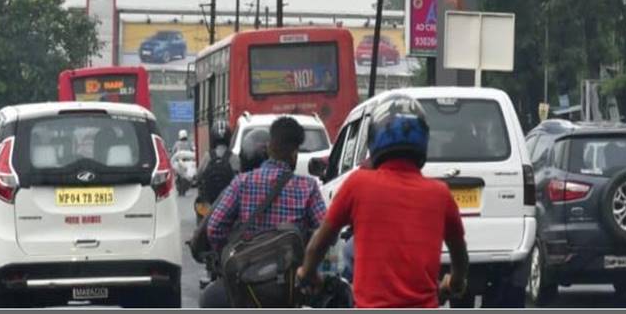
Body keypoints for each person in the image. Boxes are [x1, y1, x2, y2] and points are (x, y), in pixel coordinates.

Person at [297, 94, 470, 309]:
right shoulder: (440, 194)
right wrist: (453, 283)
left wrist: (307, 273)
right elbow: (460, 258)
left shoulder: (358, 183)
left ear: (374, 139)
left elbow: (319, 244)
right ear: (423, 140)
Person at [198, 117, 326, 308]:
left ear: (269, 148)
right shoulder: (308, 187)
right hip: (292, 288)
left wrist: (231, 256)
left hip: (245, 284)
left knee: (210, 298)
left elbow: (214, 228)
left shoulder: (242, 183)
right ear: (294, 153)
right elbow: (325, 233)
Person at [196, 121, 235, 206]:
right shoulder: (234, 157)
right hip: (230, 202)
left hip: (210, 203)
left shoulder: (207, 156)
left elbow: (198, 175)